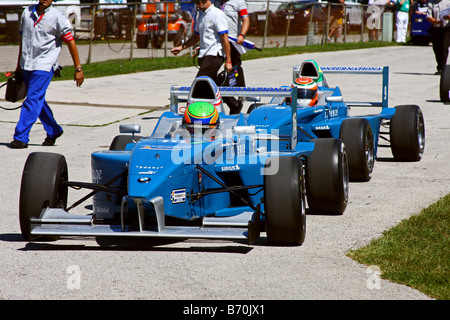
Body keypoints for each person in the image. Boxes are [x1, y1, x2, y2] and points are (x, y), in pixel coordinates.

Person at [9, 0, 84, 149]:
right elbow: (23, 41)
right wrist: (19, 66)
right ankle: (53, 130)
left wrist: (78, 69)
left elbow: (71, 42)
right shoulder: (27, 13)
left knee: (32, 100)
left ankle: (21, 137)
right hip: (27, 64)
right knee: (37, 100)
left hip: (44, 65)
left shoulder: (58, 17)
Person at [171, 0, 233, 110]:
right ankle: (234, 105)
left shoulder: (217, 14)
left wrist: (228, 61)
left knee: (199, 84)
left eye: (198, 3)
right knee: (214, 85)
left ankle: (192, 110)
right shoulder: (202, 15)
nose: (197, 6)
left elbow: (225, 38)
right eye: (196, 3)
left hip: (214, 55)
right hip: (204, 56)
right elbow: (196, 37)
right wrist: (181, 48)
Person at [218, 0, 250, 114]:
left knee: (234, 68)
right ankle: (232, 102)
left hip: (232, 40)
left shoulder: (238, 2)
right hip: (217, 41)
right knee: (216, 77)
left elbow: (245, 19)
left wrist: (242, 35)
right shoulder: (214, 3)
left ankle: (241, 91)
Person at [426, 0, 450, 74]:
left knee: (444, 46)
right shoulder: (431, 3)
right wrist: (437, 22)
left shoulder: (448, 2)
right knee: (437, 48)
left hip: (447, 28)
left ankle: (442, 68)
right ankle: (440, 66)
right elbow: (428, 17)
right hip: (436, 28)